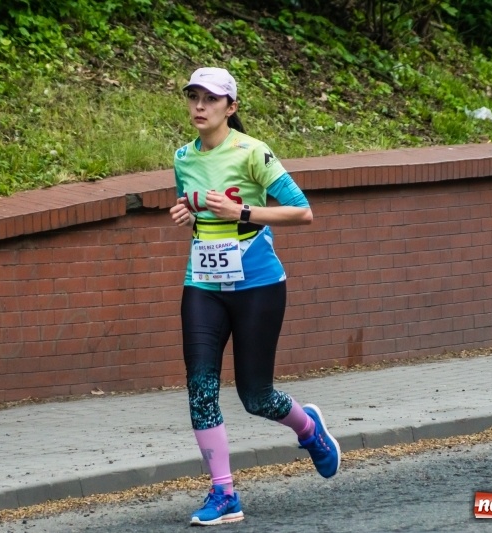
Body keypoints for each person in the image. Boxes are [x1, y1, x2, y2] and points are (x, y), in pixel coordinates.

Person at [169, 66, 341, 526]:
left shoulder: (253, 152)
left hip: (257, 285)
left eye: (211, 98)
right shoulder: (183, 157)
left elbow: (302, 212)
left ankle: (309, 429)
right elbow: (196, 211)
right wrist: (188, 215)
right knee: (200, 387)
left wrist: (242, 210)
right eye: (193, 96)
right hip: (203, 284)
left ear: (231, 107)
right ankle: (224, 494)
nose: (200, 106)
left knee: (256, 396)